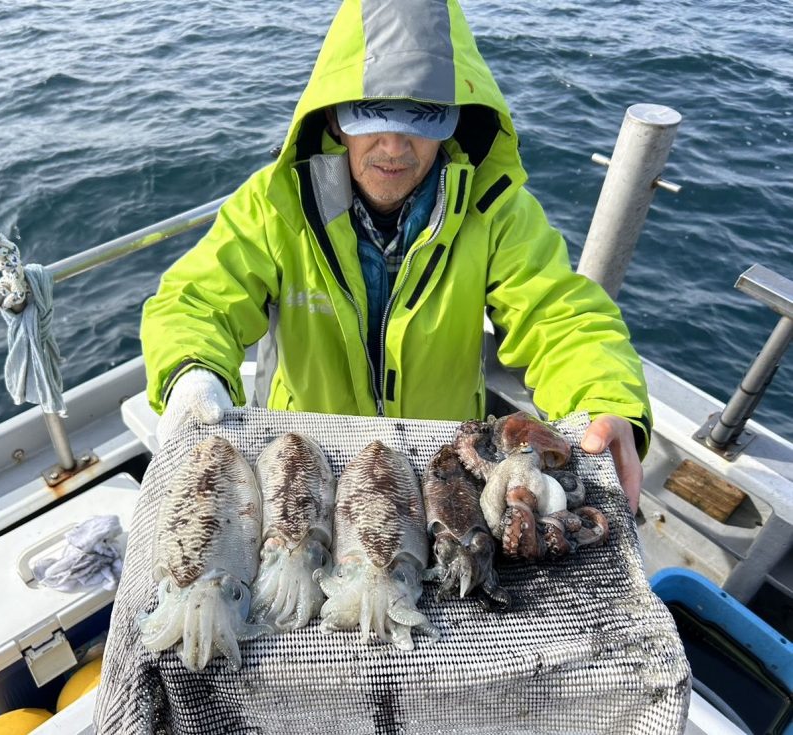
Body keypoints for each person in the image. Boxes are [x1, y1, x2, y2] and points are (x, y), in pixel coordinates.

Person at [140, 0, 651, 512]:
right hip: (302, 466)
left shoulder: (498, 212)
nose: (393, 145)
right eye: (369, 112)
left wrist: (604, 403)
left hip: (443, 468)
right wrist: (192, 373)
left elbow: (558, 317)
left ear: (457, 118)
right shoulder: (273, 206)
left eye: (424, 114)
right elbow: (197, 302)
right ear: (333, 118)